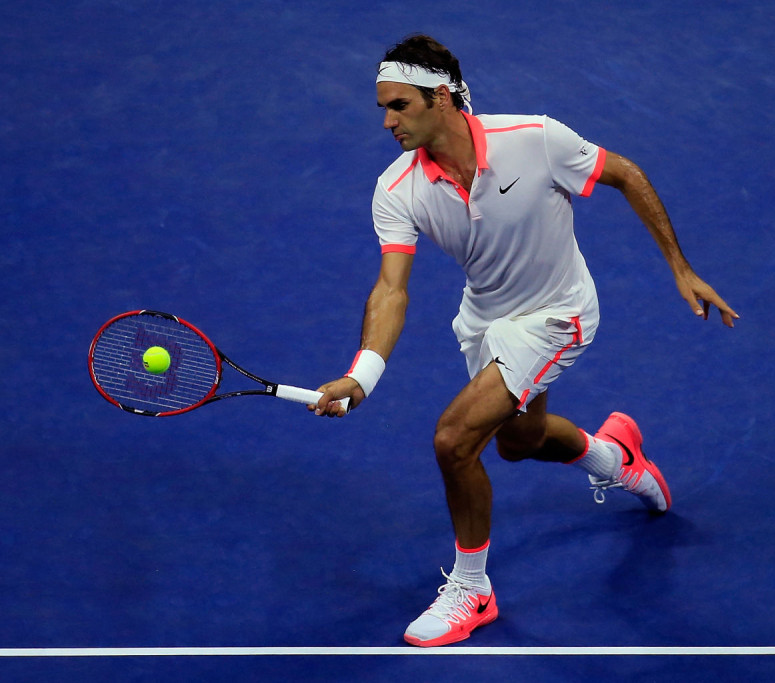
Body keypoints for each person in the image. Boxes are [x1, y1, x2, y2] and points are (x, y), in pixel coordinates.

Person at [309, 34, 738, 647]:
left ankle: (472, 589)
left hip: (559, 314)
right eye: (384, 107)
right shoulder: (396, 189)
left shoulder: (534, 139)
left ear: (440, 97)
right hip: (486, 320)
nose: (386, 121)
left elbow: (624, 173)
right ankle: (617, 458)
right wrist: (363, 375)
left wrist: (680, 266)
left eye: (399, 105)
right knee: (519, 441)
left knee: (455, 440)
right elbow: (391, 290)